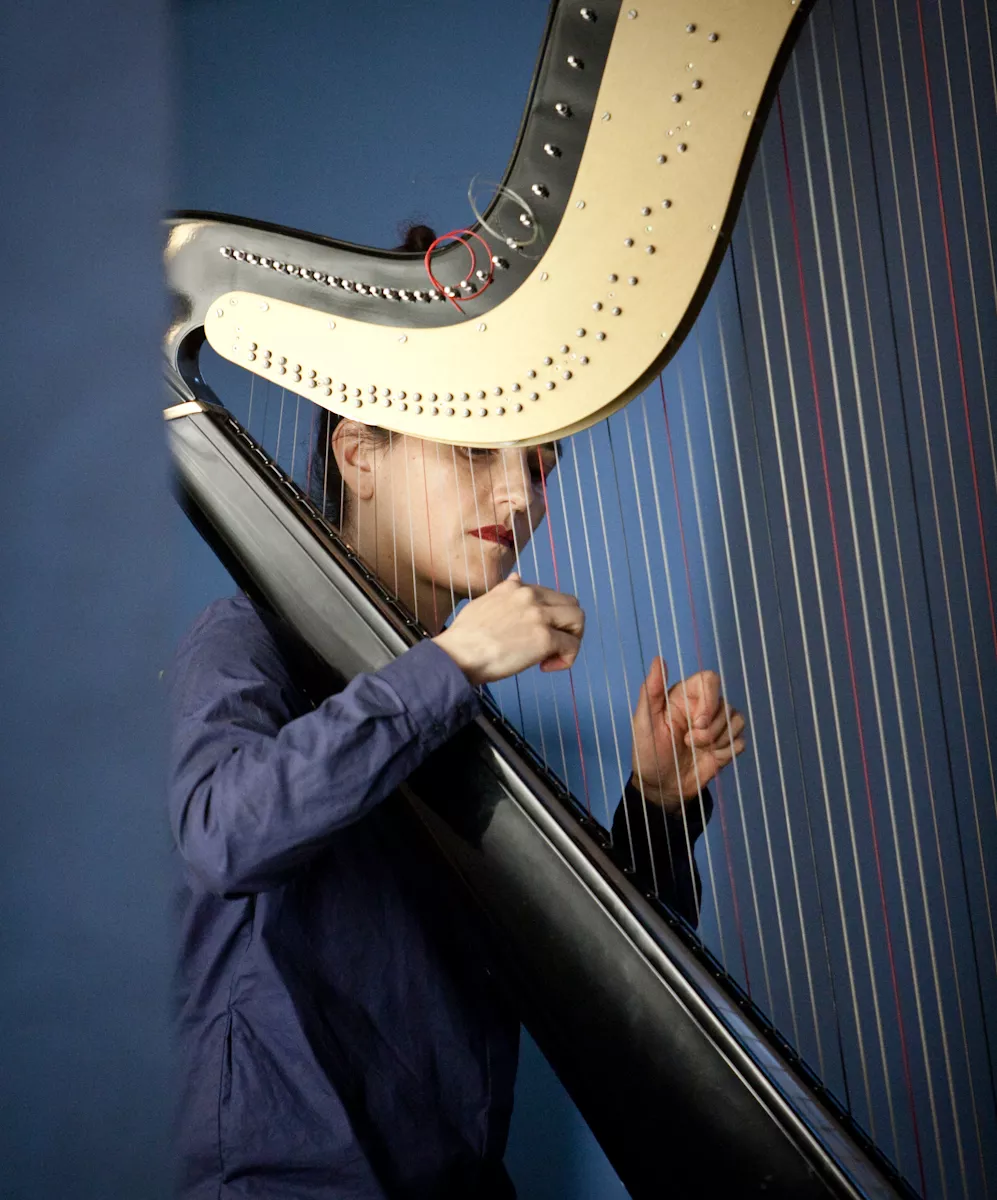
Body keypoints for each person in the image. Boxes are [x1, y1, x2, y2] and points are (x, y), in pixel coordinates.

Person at [167, 231, 747, 1200]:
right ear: (359, 455)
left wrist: (656, 805)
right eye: (476, 449)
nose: (519, 496)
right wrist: (456, 661)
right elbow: (222, 838)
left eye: (541, 465)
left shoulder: (454, 702)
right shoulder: (246, 642)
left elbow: (588, 984)